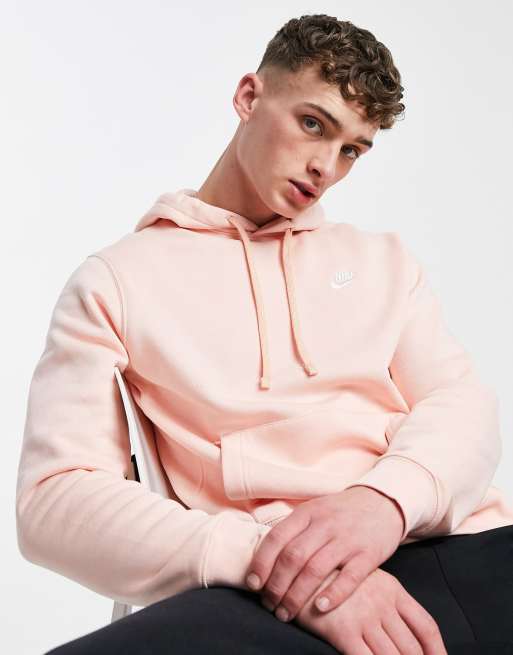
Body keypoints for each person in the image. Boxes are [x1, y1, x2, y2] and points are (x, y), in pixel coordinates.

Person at [15, 13, 513, 655]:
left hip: (448, 550)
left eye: (352, 150)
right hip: (264, 589)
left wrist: (381, 505)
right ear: (249, 97)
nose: (325, 166)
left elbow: (463, 408)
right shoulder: (116, 281)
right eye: (314, 124)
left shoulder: (383, 263)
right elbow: (54, 501)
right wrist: (279, 561)